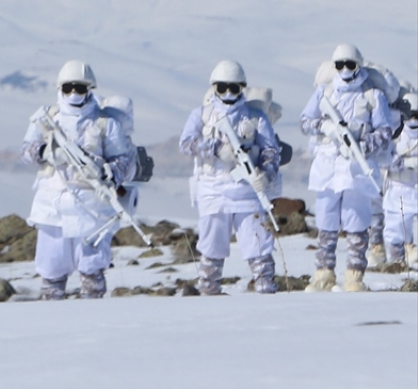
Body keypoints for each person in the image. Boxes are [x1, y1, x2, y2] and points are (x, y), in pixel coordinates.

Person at [21, 61, 136, 300]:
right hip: (51, 204)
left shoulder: (105, 123)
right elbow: (26, 152)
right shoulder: (48, 118)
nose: (74, 93)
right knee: (51, 268)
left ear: (89, 89)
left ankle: (91, 315)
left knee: (92, 268)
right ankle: (52, 312)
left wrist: (109, 174)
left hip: (91, 205)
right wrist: (45, 152)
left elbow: (122, 159)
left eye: (80, 88)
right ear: (60, 89)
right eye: (68, 88)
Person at [300, 44, 397, 292]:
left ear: (358, 66)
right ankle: (323, 273)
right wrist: (325, 127)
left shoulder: (372, 95)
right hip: (327, 167)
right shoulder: (325, 92)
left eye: (350, 64)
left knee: (357, 222)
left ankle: (354, 275)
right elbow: (305, 121)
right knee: (326, 221)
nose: (344, 69)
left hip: (357, 168)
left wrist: (363, 145)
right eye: (339, 65)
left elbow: (385, 131)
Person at [179, 61, 282, 295]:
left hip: (247, 192)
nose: (227, 93)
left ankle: (266, 292)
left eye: (233, 88)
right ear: (214, 88)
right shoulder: (201, 115)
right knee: (211, 249)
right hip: (212, 191)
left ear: (242, 88)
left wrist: (265, 174)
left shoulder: (255, 117)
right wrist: (216, 149)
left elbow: (271, 151)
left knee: (259, 246)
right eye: (222, 87)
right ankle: (209, 293)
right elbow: (185, 143)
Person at [383, 92, 418, 267]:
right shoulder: (394, 135)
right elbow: (385, 159)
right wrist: (405, 162)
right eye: (410, 115)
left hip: (414, 188)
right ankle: (396, 263)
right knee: (395, 229)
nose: (413, 120)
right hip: (397, 189)